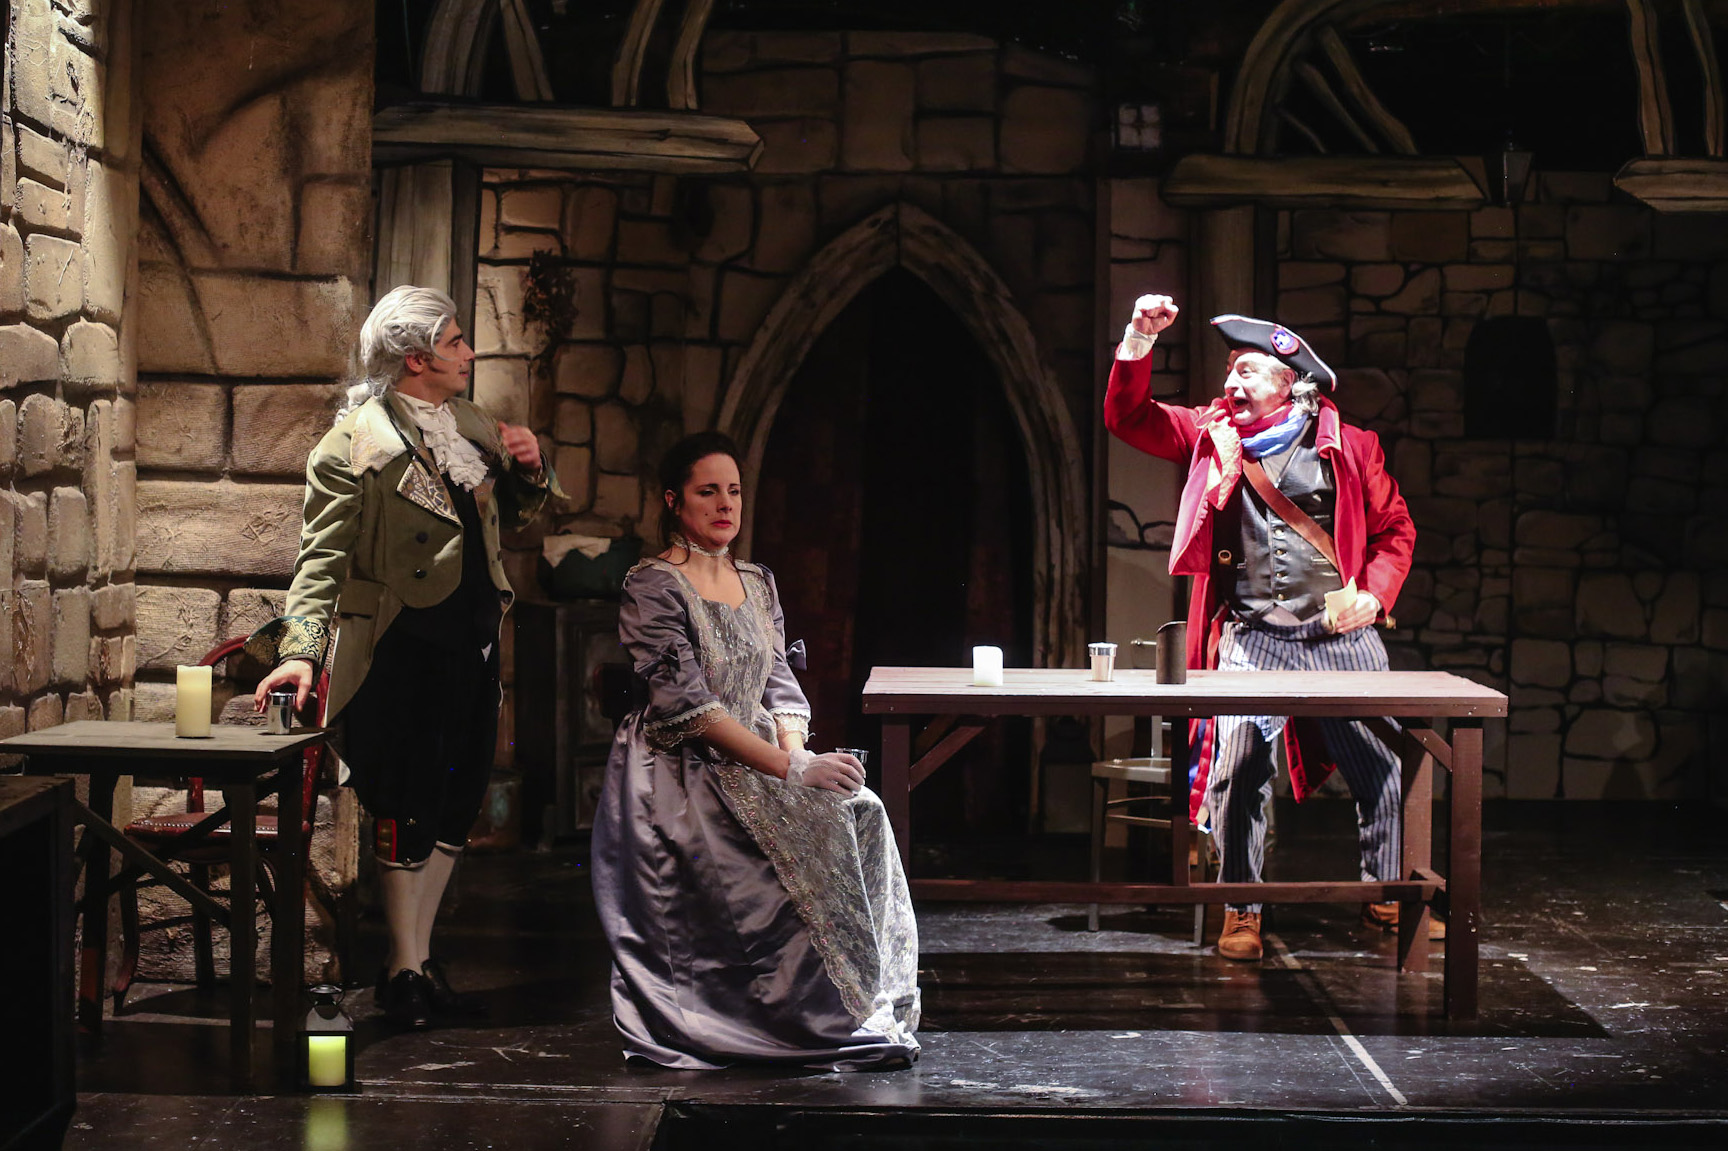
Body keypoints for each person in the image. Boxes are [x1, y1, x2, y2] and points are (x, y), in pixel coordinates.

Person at [248, 285, 555, 1026]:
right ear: (416, 359)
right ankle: (407, 965)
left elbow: (511, 517)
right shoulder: (354, 444)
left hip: (473, 638)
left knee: (459, 797)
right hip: (402, 644)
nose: (468, 353)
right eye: (454, 342)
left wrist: (529, 467)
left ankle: (411, 962)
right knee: (405, 798)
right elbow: (319, 559)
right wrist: (303, 651)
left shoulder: (471, 425)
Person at [1103, 293, 1426, 962]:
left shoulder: (1350, 446)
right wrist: (1138, 337)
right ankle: (1241, 908)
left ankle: (1386, 893)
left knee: (1382, 768)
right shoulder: (1210, 433)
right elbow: (1128, 416)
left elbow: (1396, 529)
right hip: (1253, 638)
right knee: (1240, 770)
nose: (1231, 383)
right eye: (1230, 370)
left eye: (1246, 371)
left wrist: (1375, 595)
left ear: (1289, 382)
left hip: (1340, 638)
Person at [591, 431, 920, 1070]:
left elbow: (778, 682)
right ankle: (781, 1016)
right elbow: (687, 705)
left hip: (760, 752)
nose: (725, 505)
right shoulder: (653, 584)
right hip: (682, 767)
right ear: (673, 500)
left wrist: (801, 759)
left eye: (734, 491)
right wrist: (790, 768)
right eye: (707, 491)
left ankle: (856, 1001)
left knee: (861, 810)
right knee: (779, 849)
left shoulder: (756, 580)